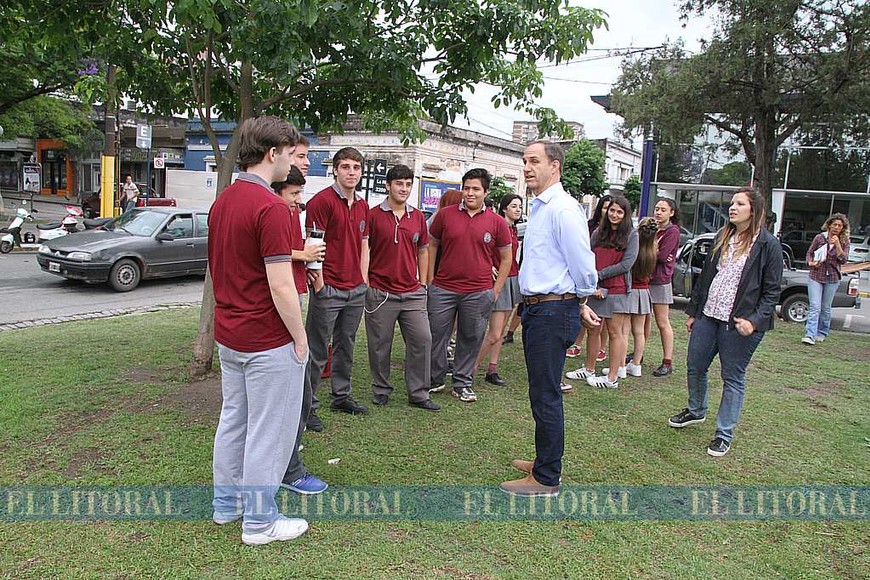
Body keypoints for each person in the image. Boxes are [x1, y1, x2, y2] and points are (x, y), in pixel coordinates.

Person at [209, 116, 309, 545]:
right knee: (269, 430)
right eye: (289, 153)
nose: (292, 162)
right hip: (266, 338)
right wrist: (300, 339)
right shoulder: (270, 207)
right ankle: (260, 522)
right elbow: (281, 284)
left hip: (229, 333)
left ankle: (227, 505)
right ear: (273, 153)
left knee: (235, 420)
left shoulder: (224, 201)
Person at [500, 141, 599, 497]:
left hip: (553, 310)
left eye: (534, 161)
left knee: (546, 395)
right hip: (541, 308)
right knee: (541, 391)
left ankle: (546, 477)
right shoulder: (541, 208)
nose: (526, 167)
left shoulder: (563, 209)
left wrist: (577, 299)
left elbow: (585, 268)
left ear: (554, 166)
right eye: (524, 161)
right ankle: (544, 460)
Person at [667, 187, 783, 457]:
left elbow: (772, 291)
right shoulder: (722, 237)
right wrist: (694, 312)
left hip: (740, 322)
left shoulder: (768, 244)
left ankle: (723, 434)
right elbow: (707, 278)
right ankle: (696, 410)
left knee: (732, 377)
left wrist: (754, 321)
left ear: (753, 210)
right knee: (695, 365)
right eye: (732, 203)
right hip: (709, 315)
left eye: (739, 204)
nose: (732, 208)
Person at [427, 168, 512, 403]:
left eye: (475, 189)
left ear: (486, 192)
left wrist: (496, 290)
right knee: (435, 336)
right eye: (466, 188)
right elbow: (431, 245)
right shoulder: (445, 215)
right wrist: (429, 280)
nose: (470, 193)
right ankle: (434, 379)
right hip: (443, 288)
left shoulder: (496, 222)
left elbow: (507, 258)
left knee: (470, 337)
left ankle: (462, 383)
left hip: (478, 291)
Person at [272, 166, 329, 496]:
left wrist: (309, 266)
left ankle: (287, 457)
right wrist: (299, 336)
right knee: (294, 393)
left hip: (294, 297)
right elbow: (270, 255)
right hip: (279, 319)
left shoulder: (287, 213)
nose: (299, 201)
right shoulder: (272, 212)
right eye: (294, 195)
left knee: (298, 392)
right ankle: (289, 469)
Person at [303, 147, 371, 424]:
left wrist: (363, 280)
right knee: (318, 350)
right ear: (335, 170)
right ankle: (308, 406)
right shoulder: (322, 202)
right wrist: (319, 286)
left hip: (355, 289)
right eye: (345, 167)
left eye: (356, 167)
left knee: (347, 345)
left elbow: (365, 244)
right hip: (328, 288)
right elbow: (313, 245)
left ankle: (341, 395)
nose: (351, 172)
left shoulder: (363, 205)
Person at [365, 165, 440, 411]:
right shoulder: (373, 215)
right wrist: (366, 282)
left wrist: (423, 283)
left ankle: (418, 393)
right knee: (379, 344)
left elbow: (423, 250)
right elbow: (364, 249)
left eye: (408, 184)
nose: (404, 189)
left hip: (412, 293)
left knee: (422, 339)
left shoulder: (417, 216)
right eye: (399, 184)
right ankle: (381, 389)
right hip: (380, 292)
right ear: (388, 186)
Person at [565, 195, 637, 389]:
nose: (614, 215)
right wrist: (592, 283)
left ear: (626, 215)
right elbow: (587, 255)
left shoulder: (631, 234)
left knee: (615, 332)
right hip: (595, 289)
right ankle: (588, 368)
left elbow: (627, 264)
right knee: (592, 329)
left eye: (619, 212)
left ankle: (612, 377)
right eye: (611, 210)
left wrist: (599, 275)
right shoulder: (598, 232)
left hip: (617, 290)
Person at [475, 193, 523, 386]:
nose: (518, 209)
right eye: (513, 206)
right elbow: (482, 248)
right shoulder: (497, 226)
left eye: (519, 206)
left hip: (513, 279)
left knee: (501, 332)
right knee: (494, 333)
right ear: (504, 208)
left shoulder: (513, 229)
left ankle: (492, 369)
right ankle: (470, 368)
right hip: (499, 281)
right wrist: (490, 267)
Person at [566, 194, 612, 359]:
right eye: (606, 208)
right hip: (589, 275)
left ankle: (601, 348)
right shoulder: (590, 227)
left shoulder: (617, 231)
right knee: (584, 311)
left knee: (603, 319)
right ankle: (577, 344)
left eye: (612, 209)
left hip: (607, 279)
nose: (609, 212)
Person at [803, 213, 850, 345]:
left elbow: (843, 259)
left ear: (842, 228)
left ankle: (822, 332)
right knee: (815, 306)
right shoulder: (819, 238)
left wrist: (838, 245)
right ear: (829, 225)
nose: (836, 227)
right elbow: (810, 253)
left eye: (839, 226)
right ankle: (809, 335)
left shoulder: (845, 241)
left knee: (825, 307)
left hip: (832, 277)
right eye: (834, 224)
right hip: (816, 275)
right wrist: (811, 263)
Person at [619, 217, 658, 377]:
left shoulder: (633, 249)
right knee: (639, 331)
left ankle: (620, 365)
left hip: (630, 291)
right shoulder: (653, 251)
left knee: (624, 330)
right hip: (644, 292)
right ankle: (636, 364)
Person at [647, 197, 681, 376]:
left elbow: (662, 256)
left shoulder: (672, 231)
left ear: (671, 213)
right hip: (645, 279)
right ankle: (638, 354)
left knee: (662, 322)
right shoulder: (652, 229)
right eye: (657, 208)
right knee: (643, 320)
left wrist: (650, 252)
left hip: (660, 281)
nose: (658, 212)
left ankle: (667, 361)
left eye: (663, 210)